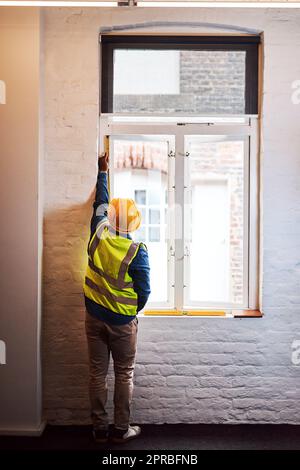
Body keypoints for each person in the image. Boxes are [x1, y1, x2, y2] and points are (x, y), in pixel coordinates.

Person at [83, 153, 151, 444]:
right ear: (134, 224)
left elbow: (100, 202)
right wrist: (132, 312)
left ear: (110, 219)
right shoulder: (137, 250)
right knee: (124, 374)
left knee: (97, 374)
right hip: (123, 322)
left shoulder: (98, 234)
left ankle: (99, 429)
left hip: (93, 317)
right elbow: (145, 290)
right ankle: (121, 430)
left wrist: (103, 171)